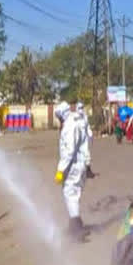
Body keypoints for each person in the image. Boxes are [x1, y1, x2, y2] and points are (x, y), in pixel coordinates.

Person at [54, 102, 90, 242]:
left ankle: (76, 229)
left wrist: (60, 170)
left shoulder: (69, 126)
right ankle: (75, 224)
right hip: (79, 163)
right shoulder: (77, 121)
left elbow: (69, 151)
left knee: (70, 193)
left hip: (73, 165)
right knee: (74, 194)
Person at [75, 101, 96, 178]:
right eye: (79, 108)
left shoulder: (85, 117)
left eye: (82, 108)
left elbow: (87, 127)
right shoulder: (73, 118)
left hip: (84, 139)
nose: (81, 109)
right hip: (76, 139)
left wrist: (90, 135)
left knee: (87, 154)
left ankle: (88, 171)